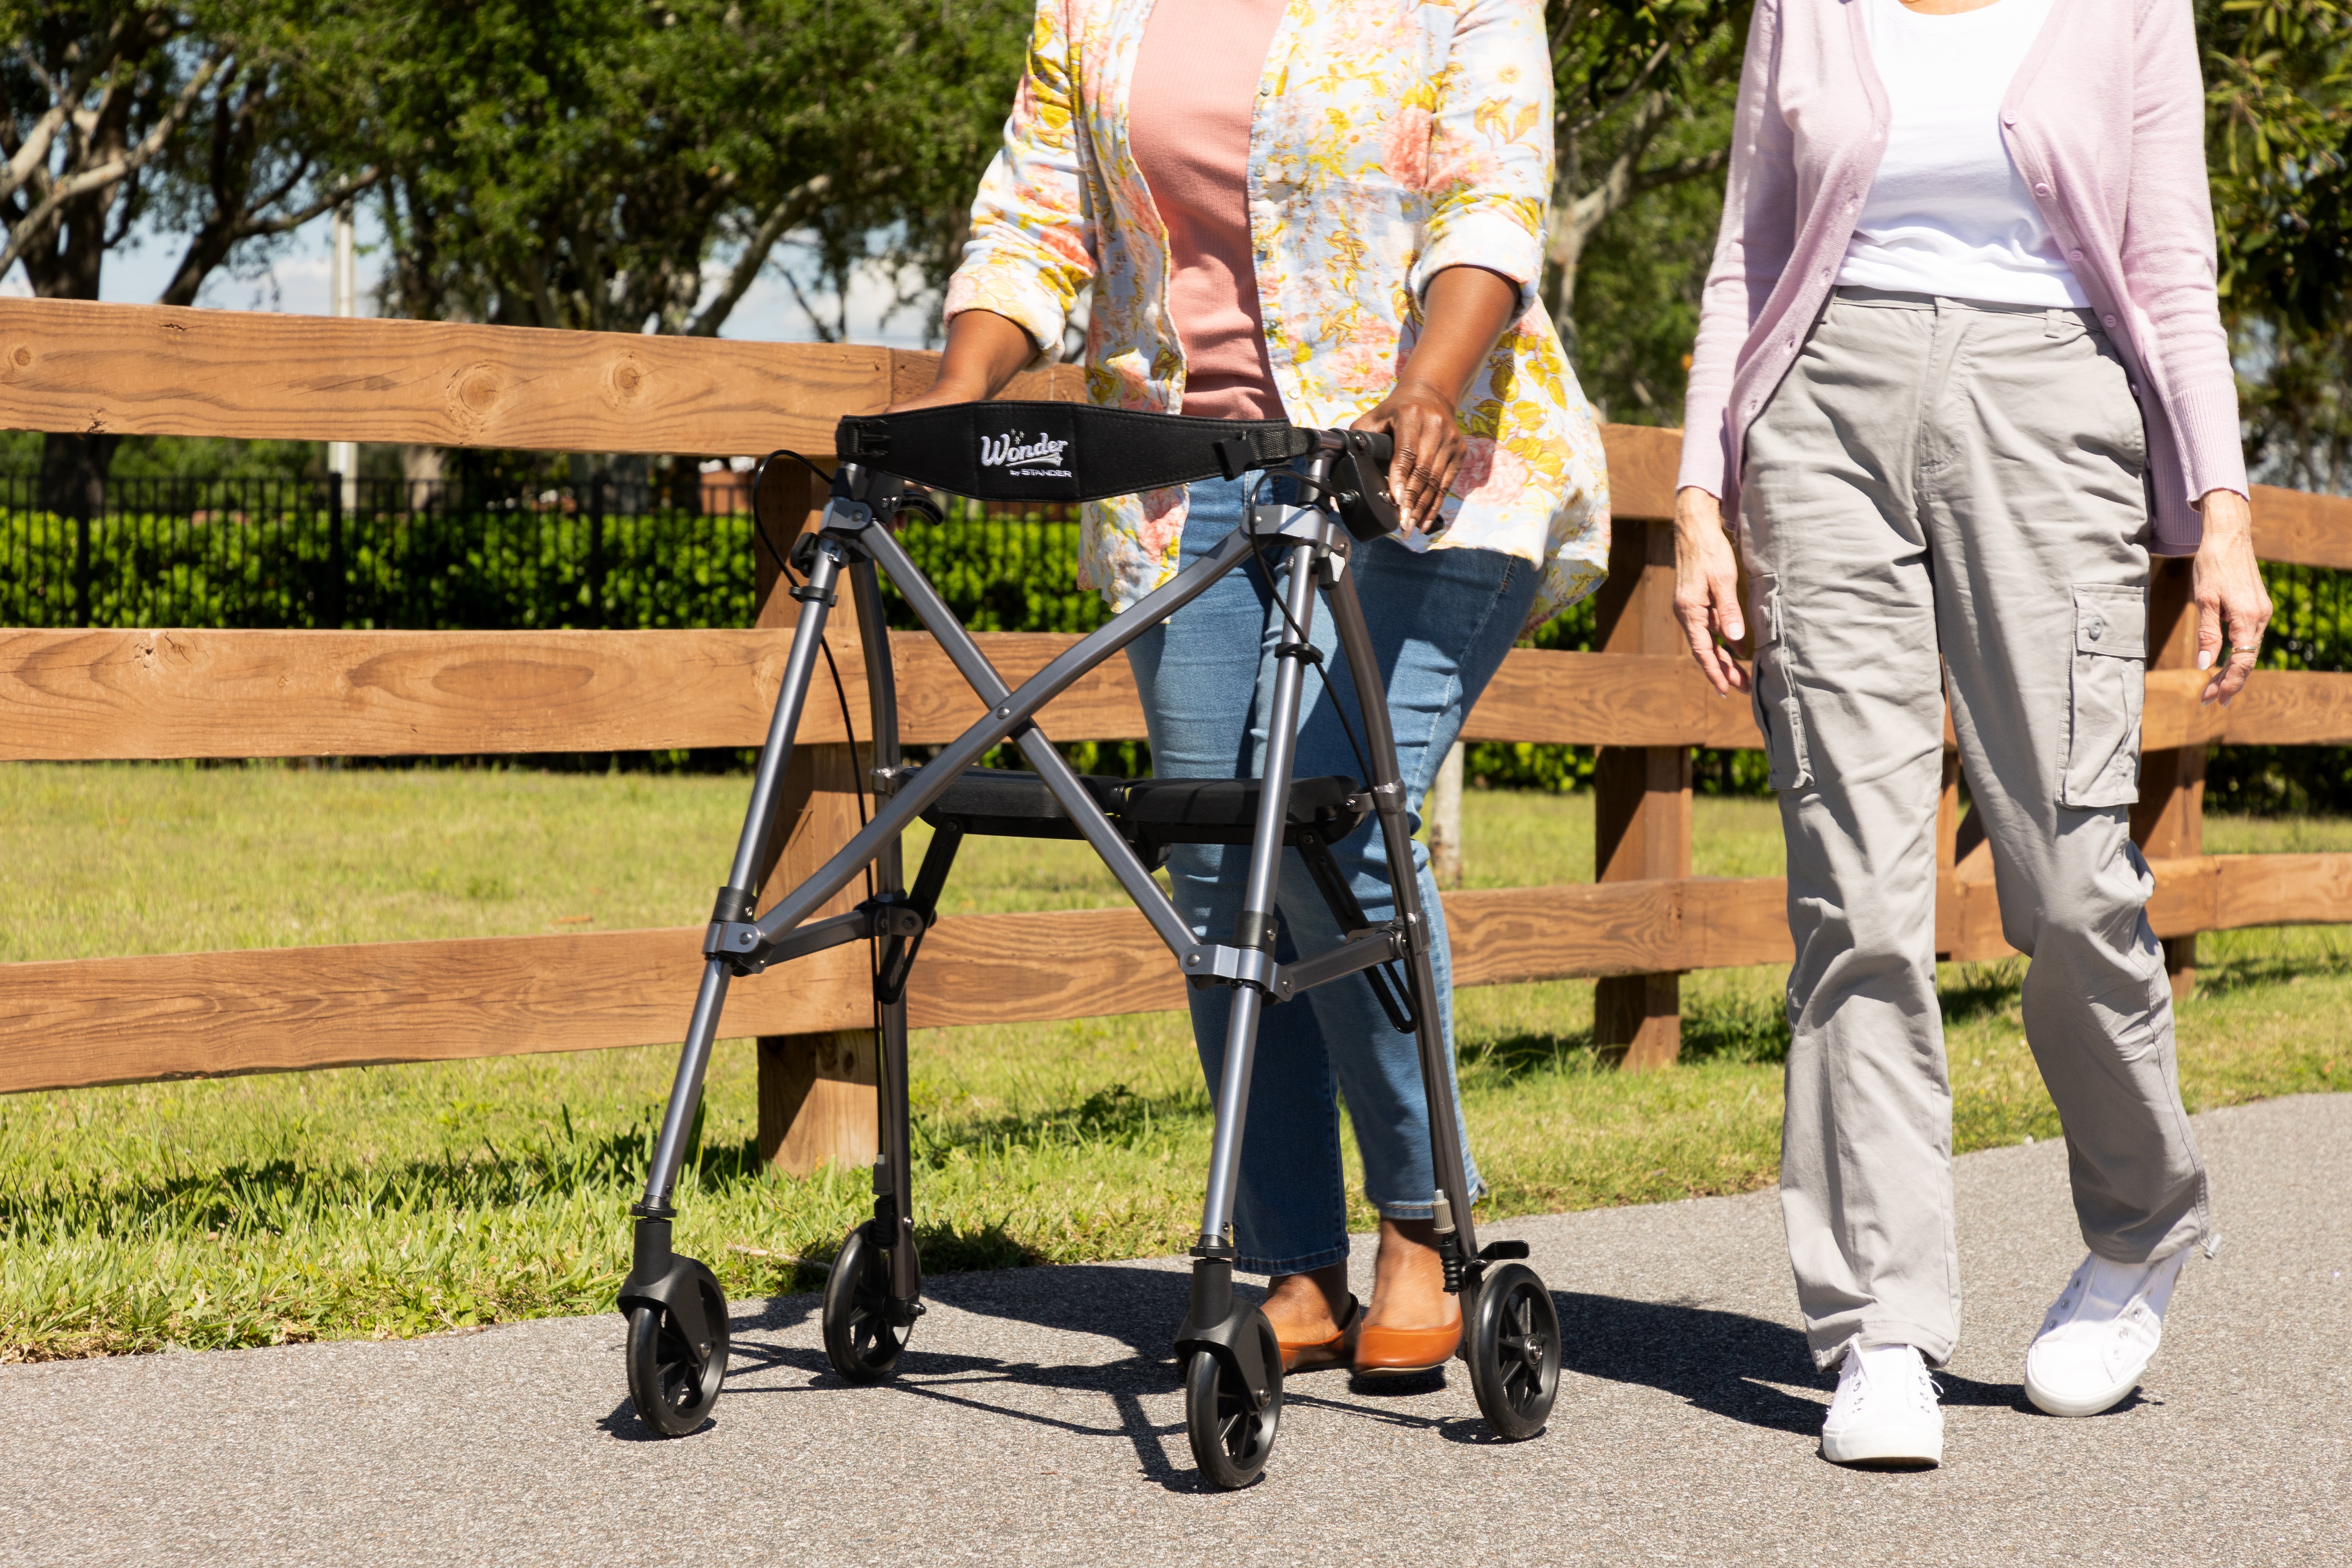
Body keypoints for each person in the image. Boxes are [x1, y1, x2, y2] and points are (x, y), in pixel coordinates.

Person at [892, 0, 1608, 1375]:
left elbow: (1489, 203)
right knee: (1223, 863)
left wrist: (1429, 385)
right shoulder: (1092, 11)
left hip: (1417, 472)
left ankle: (1419, 1222)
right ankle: (1290, 1255)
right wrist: (961, 390)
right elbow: (1038, 215)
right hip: (1190, 485)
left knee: (1341, 839)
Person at [1673, 0, 2271, 1466]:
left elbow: (2171, 269)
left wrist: (2227, 511)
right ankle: (1879, 1332)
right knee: (1855, 895)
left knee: (2071, 877)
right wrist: (1701, 486)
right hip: (1816, 415)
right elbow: (1748, 252)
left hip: (2051, 400)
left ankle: (2142, 1229)